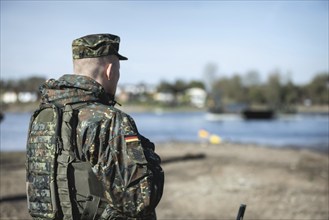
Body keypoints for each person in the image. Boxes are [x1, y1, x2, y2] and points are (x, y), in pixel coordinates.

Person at [27, 33, 164, 219]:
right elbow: (138, 201)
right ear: (110, 70)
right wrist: (149, 155)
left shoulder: (43, 116)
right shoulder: (108, 119)